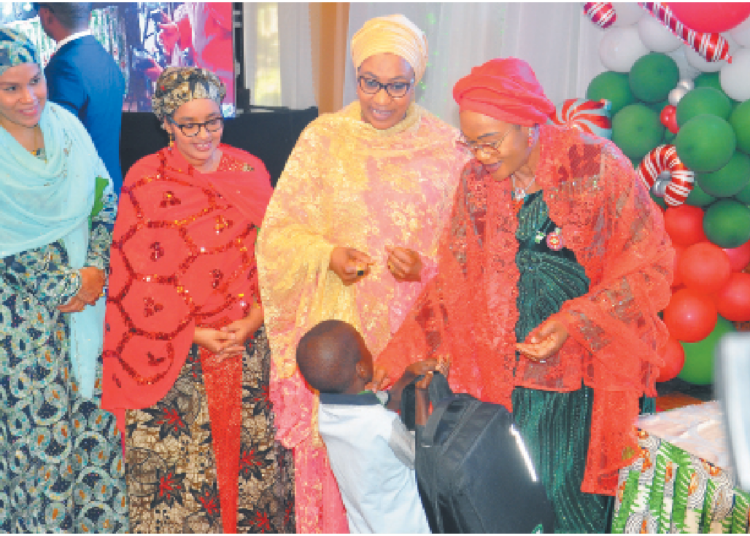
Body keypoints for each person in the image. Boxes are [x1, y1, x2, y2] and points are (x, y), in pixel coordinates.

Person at [374, 58, 674, 533]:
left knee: (565, 498)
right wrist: (402, 355)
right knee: (509, 501)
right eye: (471, 143)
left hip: (580, 379)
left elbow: (648, 266)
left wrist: (572, 322)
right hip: (502, 378)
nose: (481, 155)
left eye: (490, 141)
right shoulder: (476, 182)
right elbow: (454, 280)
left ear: (531, 125)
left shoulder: (594, 167)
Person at [256, 14, 468, 533]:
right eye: (369, 82)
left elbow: (470, 259)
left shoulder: (447, 150)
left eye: (399, 85)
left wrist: (425, 267)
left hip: (411, 336)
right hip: (340, 344)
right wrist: (327, 254)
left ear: (419, 81)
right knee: (340, 464)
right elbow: (277, 234)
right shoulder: (323, 139)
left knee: (404, 471)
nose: (381, 98)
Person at [101, 67, 294, 534]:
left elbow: (275, 258)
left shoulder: (249, 170)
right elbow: (133, 281)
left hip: (248, 346)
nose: (204, 134)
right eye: (189, 124)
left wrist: (255, 320)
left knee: (256, 482)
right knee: (188, 492)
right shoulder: (146, 179)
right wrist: (194, 335)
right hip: (175, 357)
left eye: (213, 120)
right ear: (165, 122)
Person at [0, 26, 127, 533]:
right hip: (23, 329)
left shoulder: (67, 130)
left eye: (35, 81)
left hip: (88, 315)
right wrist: (66, 287)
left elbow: (103, 197)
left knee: (96, 437)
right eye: (11, 87)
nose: (30, 97)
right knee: (40, 451)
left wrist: (95, 269)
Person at [296, 320, 441, 534]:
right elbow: (422, 457)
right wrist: (422, 396)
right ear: (362, 369)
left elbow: (383, 402)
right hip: (409, 526)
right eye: (365, 348)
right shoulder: (380, 424)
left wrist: (407, 377)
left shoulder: (327, 414)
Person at [36, 2, 126, 193]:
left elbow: (57, 145)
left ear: (46, 15)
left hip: (82, 197)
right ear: (89, 16)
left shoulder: (62, 68)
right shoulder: (103, 57)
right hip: (111, 187)